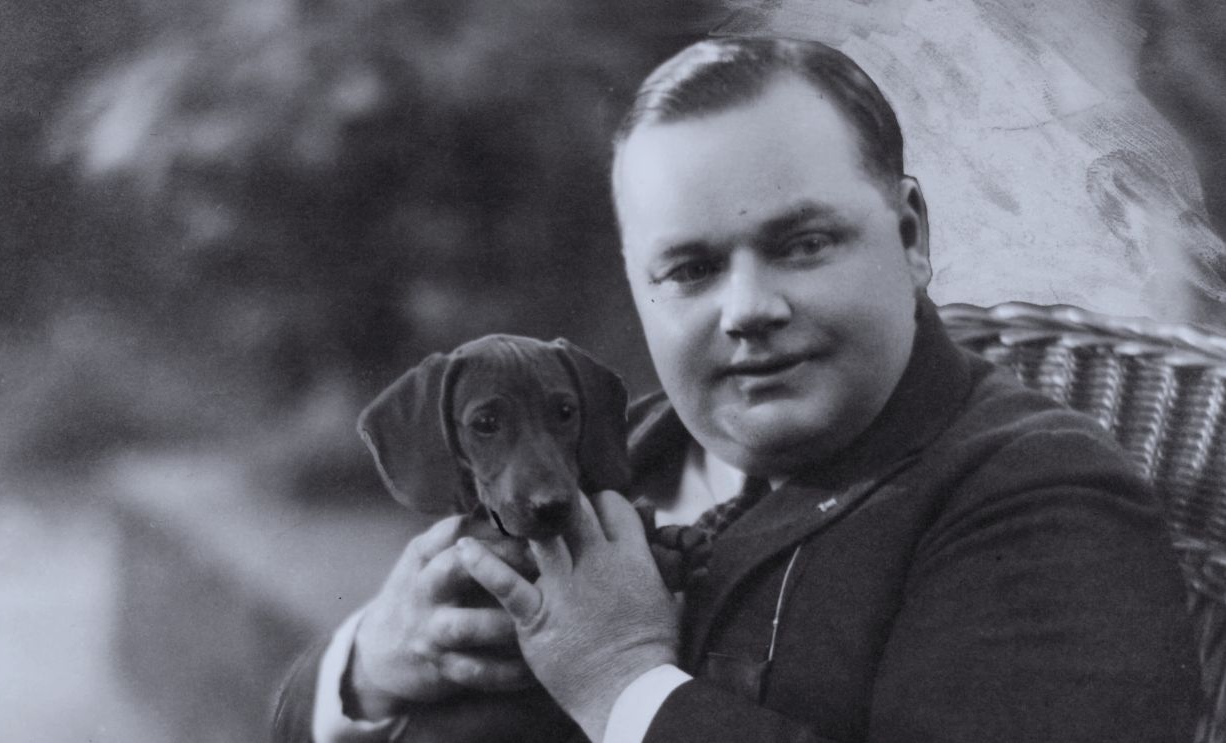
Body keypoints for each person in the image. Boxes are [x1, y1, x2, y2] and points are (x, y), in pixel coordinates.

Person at [273, 37, 1200, 743]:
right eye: (689, 268)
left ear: (910, 234)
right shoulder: (609, 449)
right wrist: (366, 663)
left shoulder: (1041, 505)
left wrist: (624, 684)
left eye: (802, 244)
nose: (748, 308)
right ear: (640, 291)